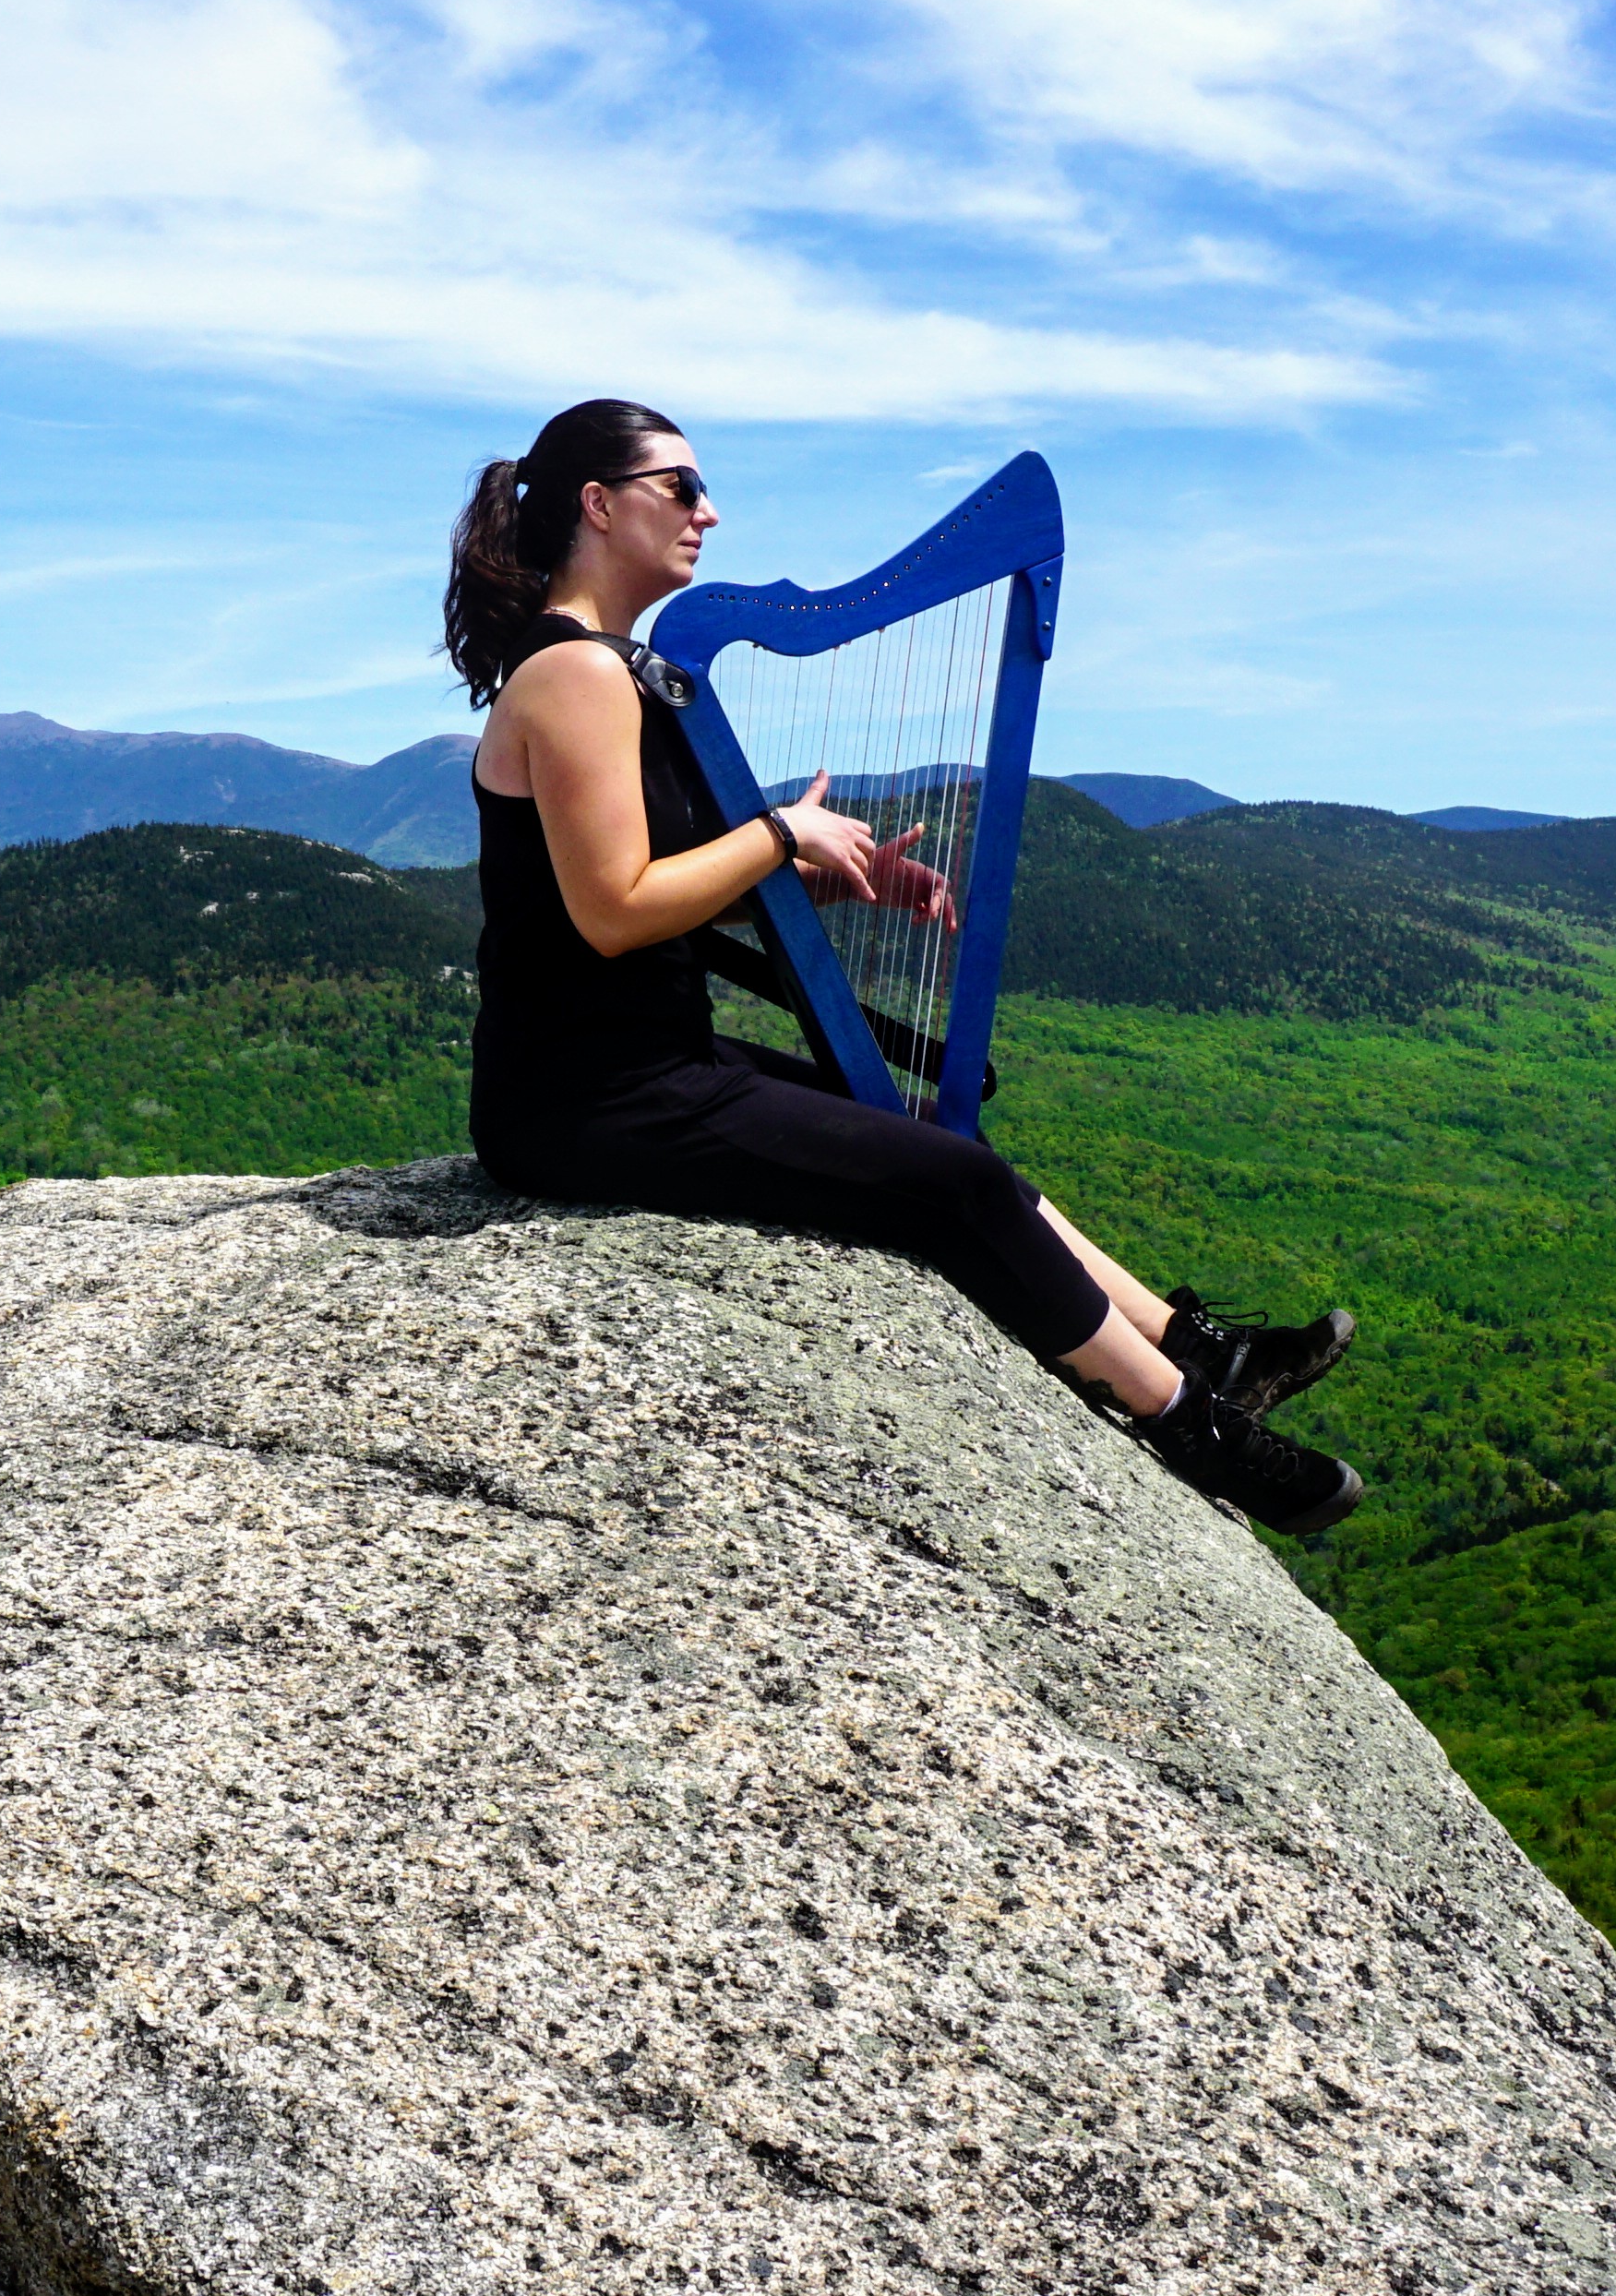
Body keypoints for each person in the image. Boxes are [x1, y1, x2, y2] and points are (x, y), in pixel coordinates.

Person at [448, 397, 1367, 1534]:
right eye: (681, 488)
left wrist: (822, 870)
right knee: (954, 1189)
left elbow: (640, 877)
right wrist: (780, 835)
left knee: (938, 1135)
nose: (709, 512)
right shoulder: (576, 676)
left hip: (639, 1063)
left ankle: (1199, 1347)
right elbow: (612, 911)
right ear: (598, 504)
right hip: (586, 1097)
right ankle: (1197, 1429)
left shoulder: (620, 671)